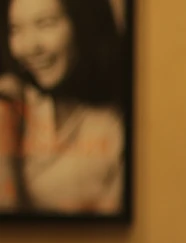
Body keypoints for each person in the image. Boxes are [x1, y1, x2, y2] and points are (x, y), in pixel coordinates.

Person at [0, 0, 124, 214]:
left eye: (45, 24)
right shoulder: (12, 100)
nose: (30, 47)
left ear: (82, 25)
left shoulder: (117, 130)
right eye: (15, 29)